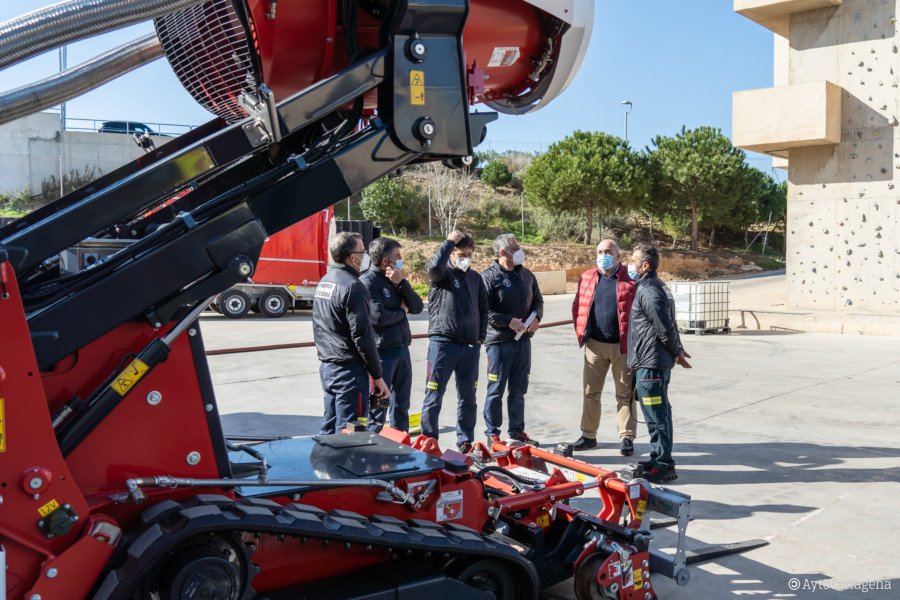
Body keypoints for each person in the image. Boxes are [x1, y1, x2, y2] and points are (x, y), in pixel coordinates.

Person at [626, 242, 692, 483]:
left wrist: (677, 351)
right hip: (651, 361)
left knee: (657, 415)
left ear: (645, 265)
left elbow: (664, 326)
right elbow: (669, 323)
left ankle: (664, 465)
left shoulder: (650, 290)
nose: (629, 265)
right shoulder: (654, 286)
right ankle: (658, 457)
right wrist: (678, 349)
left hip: (651, 364)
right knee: (658, 413)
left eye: (633, 261)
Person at [312, 232, 390, 434]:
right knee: (350, 432)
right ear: (351, 256)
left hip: (328, 368)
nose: (364, 256)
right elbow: (362, 336)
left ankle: (325, 464)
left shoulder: (325, 281)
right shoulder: (354, 287)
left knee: (329, 428)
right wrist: (378, 376)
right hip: (349, 372)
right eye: (361, 251)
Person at [421, 230, 488, 453]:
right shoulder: (442, 276)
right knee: (434, 394)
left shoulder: (476, 278)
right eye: (460, 254)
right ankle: (429, 441)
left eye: (469, 254)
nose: (465, 258)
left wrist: (479, 338)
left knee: (468, 396)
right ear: (452, 254)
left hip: (469, 347)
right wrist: (449, 241)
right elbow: (433, 267)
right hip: (443, 344)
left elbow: (483, 310)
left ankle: (465, 440)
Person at [570, 239, 638, 455]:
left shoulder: (631, 277)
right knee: (590, 393)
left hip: (622, 347)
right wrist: (582, 333)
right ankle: (588, 436)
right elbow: (577, 307)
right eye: (599, 251)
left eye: (608, 251)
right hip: (594, 346)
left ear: (619, 254)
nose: (603, 255)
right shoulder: (588, 277)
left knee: (624, 394)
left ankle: (626, 437)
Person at [481, 234, 543, 446]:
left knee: (518, 390)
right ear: (502, 253)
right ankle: (492, 433)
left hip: (523, 342)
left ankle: (516, 431)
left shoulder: (526, 274)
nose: (519, 250)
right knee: (495, 389)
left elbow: (538, 300)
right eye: (515, 247)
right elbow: (483, 311)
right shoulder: (488, 277)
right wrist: (508, 321)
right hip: (498, 343)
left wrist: (537, 317)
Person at [360, 236, 424, 432]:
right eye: (397, 256)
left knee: (401, 405)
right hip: (382, 354)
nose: (401, 259)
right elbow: (378, 318)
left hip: (402, 349)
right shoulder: (367, 282)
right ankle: (373, 447)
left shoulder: (396, 280)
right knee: (379, 406)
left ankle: (400, 446)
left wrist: (402, 283)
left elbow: (417, 306)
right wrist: (402, 311)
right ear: (384, 261)